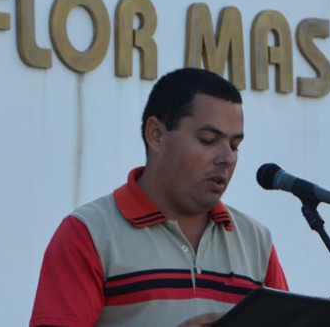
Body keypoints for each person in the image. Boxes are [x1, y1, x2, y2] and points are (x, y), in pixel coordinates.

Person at [30, 68, 288, 327]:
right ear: (156, 134)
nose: (227, 158)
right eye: (208, 140)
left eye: (234, 145)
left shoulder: (256, 241)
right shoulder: (89, 234)